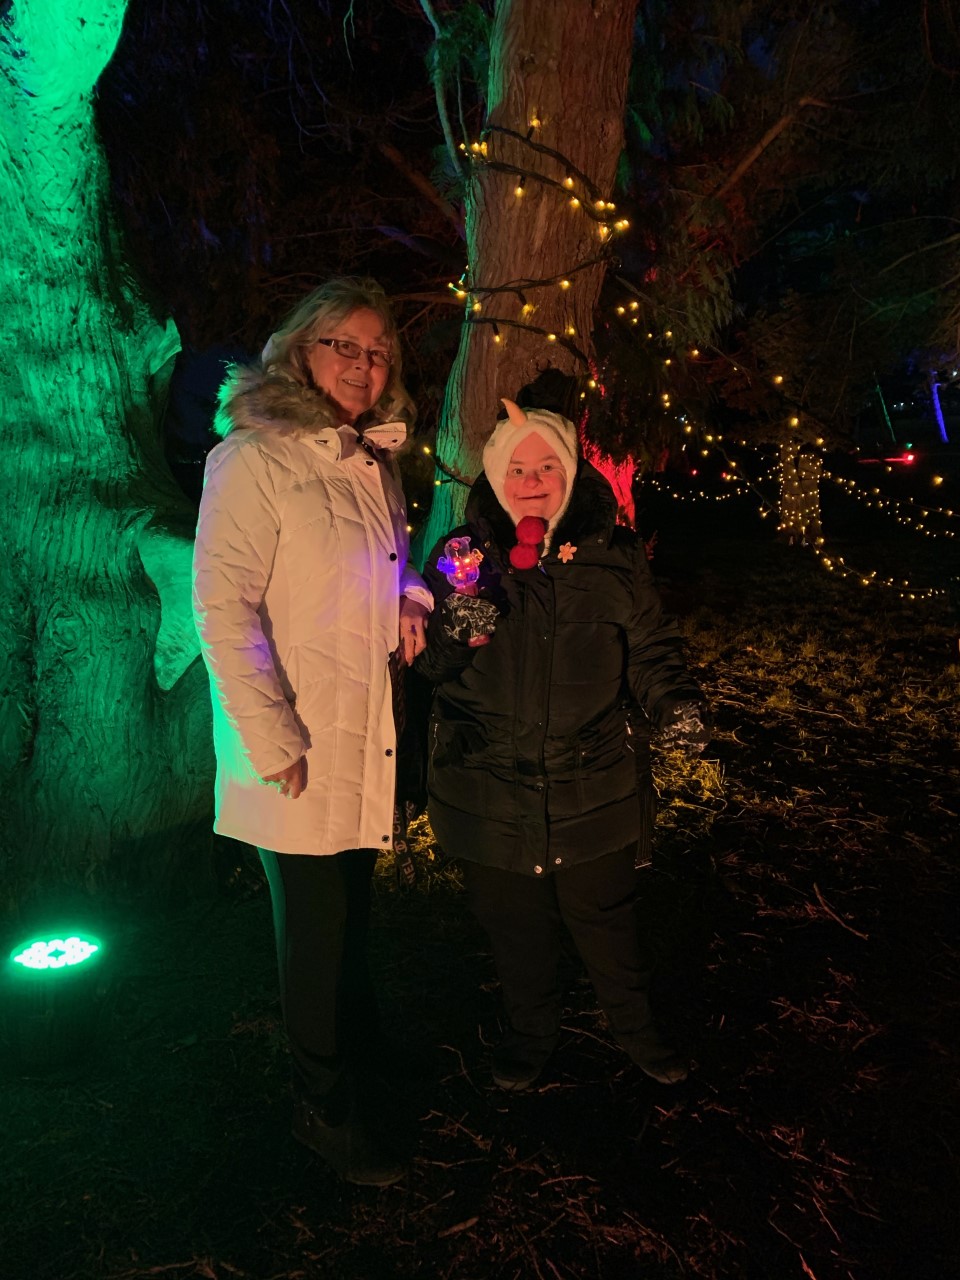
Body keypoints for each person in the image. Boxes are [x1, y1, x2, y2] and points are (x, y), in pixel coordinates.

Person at [192, 278, 432, 1186]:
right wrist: (273, 738)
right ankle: (321, 1104)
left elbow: (388, 560)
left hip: (362, 729)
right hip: (295, 744)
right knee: (316, 930)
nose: (364, 366)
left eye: (377, 352)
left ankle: (355, 1058)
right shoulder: (254, 458)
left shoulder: (370, 461)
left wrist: (409, 595)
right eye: (345, 344)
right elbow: (222, 607)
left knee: (351, 915)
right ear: (300, 349)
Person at [415, 398, 709, 1092]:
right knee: (514, 928)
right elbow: (424, 666)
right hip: (489, 787)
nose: (533, 478)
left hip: (592, 784)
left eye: (548, 464)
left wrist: (675, 702)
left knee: (606, 920)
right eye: (517, 467)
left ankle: (636, 1029)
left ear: (570, 472)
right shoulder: (462, 557)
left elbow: (650, 646)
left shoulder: (615, 555)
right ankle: (531, 1032)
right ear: (494, 475)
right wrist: (457, 630)